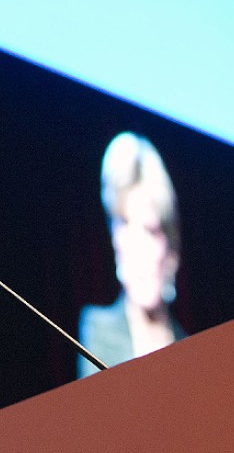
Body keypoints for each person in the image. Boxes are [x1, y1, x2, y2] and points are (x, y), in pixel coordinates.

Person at [78, 131, 186, 377]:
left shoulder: (193, 351)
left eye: (149, 230)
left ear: (171, 251)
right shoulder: (97, 330)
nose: (138, 250)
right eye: (126, 226)